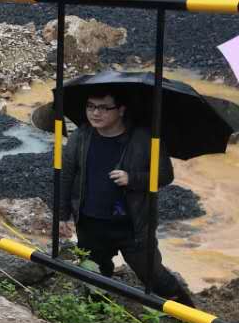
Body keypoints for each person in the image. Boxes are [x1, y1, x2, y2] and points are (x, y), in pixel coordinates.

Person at [58, 87, 196, 306]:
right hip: (90, 223)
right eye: (90, 107)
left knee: (154, 276)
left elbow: (165, 175)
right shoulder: (81, 136)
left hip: (132, 226)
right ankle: (97, 315)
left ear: (121, 110)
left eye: (104, 108)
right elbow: (66, 175)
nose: (95, 113)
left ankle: (191, 317)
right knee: (94, 274)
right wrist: (63, 215)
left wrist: (133, 178)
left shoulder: (145, 138)